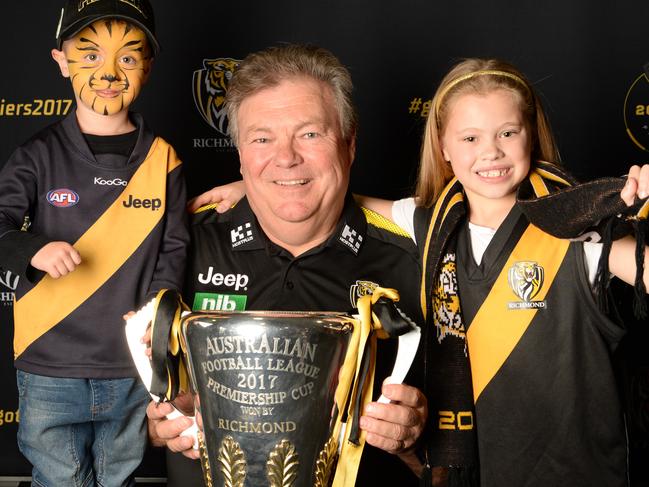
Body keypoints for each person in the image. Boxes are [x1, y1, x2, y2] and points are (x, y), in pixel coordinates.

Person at [191, 58, 649, 487]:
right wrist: (258, 185)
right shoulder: (431, 222)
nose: (490, 152)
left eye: (508, 133)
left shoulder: (580, 235)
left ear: (531, 135)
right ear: (444, 147)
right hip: (481, 468)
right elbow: (338, 198)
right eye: (470, 138)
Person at [146, 44, 432, 486]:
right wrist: (159, 425)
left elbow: (458, 446)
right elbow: (134, 410)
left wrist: (414, 435)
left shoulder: (417, 257)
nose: (286, 158)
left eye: (310, 134)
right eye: (262, 138)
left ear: (350, 144)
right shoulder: (181, 243)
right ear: (240, 154)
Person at [0, 0, 188, 485]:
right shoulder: (36, 155)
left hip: (130, 364)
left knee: (118, 475)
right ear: (61, 62)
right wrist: (31, 248)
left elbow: (174, 248)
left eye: (127, 57)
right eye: (89, 56)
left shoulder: (164, 159)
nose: (108, 72)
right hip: (49, 363)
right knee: (59, 477)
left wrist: (155, 313)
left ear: (147, 64)